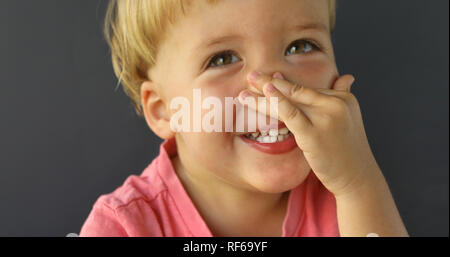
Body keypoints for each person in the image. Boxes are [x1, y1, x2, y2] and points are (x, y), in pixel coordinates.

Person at [79, 0, 408, 237]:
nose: (272, 90)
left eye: (301, 46)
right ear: (163, 110)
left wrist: (357, 183)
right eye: (223, 58)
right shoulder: (124, 226)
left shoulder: (347, 198)